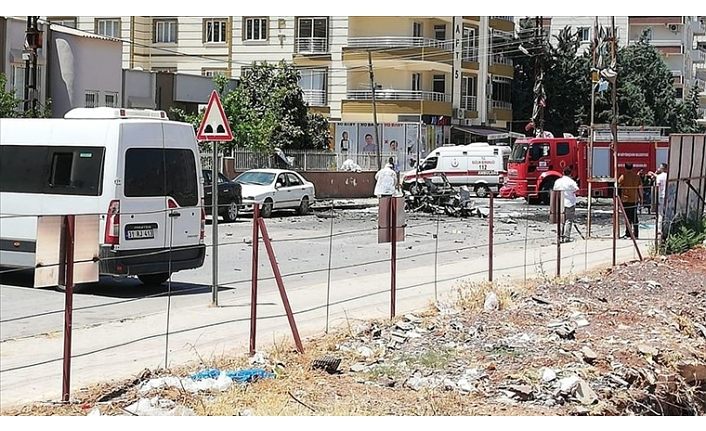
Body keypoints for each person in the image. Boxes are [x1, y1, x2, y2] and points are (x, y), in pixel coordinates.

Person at [553, 167, 579, 242]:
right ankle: (566, 237)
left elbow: (555, 190)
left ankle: (559, 237)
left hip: (560, 202)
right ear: (570, 174)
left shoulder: (557, 181)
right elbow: (576, 190)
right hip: (569, 203)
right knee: (568, 220)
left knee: (561, 221)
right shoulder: (571, 182)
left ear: (563, 172)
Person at [618, 163, 643, 239]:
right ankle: (636, 234)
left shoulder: (622, 177)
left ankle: (628, 233)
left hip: (625, 200)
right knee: (635, 217)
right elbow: (640, 188)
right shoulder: (637, 177)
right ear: (632, 168)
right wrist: (641, 198)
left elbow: (618, 186)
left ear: (625, 168)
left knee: (627, 217)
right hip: (634, 199)